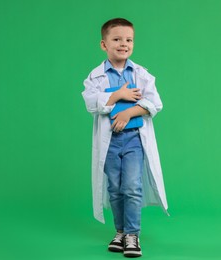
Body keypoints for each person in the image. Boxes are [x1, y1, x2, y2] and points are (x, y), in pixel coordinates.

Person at [81, 18, 168, 258]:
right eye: (116, 39)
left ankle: (132, 234)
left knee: (132, 186)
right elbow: (91, 103)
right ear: (104, 44)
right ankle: (119, 232)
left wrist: (130, 111)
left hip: (133, 141)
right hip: (109, 142)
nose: (123, 44)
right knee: (115, 188)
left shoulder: (141, 74)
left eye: (128, 40)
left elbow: (155, 103)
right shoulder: (96, 76)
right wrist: (118, 94)